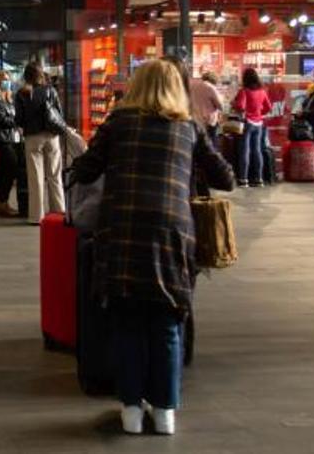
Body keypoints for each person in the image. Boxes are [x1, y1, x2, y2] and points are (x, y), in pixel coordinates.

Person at [70, 59, 235, 436]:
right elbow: (224, 177)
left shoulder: (118, 124)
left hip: (123, 234)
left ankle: (130, 410)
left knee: (127, 324)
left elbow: (86, 170)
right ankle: (165, 413)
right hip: (172, 236)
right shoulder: (188, 127)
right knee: (167, 326)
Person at [16, 64, 66, 224]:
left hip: (32, 138)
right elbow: (59, 112)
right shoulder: (51, 90)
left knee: (35, 178)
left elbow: (18, 119)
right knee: (54, 175)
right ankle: (58, 211)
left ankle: (36, 216)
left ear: (26, 76)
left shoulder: (22, 94)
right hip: (51, 136)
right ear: (41, 75)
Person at [0, 70, 24, 218]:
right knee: (11, 165)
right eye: (4, 80)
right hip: (0, 138)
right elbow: (1, 119)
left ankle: (2, 202)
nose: (7, 82)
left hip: (8, 138)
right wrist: (17, 123)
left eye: (8, 79)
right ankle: (2, 200)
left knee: (3, 169)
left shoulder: (7, 98)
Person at [232, 68, 272, 187]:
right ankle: (258, 179)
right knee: (257, 150)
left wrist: (233, 104)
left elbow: (240, 106)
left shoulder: (244, 91)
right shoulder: (262, 91)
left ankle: (243, 179)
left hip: (247, 122)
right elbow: (268, 107)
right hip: (259, 123)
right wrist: (259, 113)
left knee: (245, 151)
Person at [189, 72, 224, 147]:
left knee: (198, 143)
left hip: (195, 120)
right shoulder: (210, 87)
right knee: (211, 143)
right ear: (214, 80)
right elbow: (221, 106)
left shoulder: (193, 86)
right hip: (209, 121)